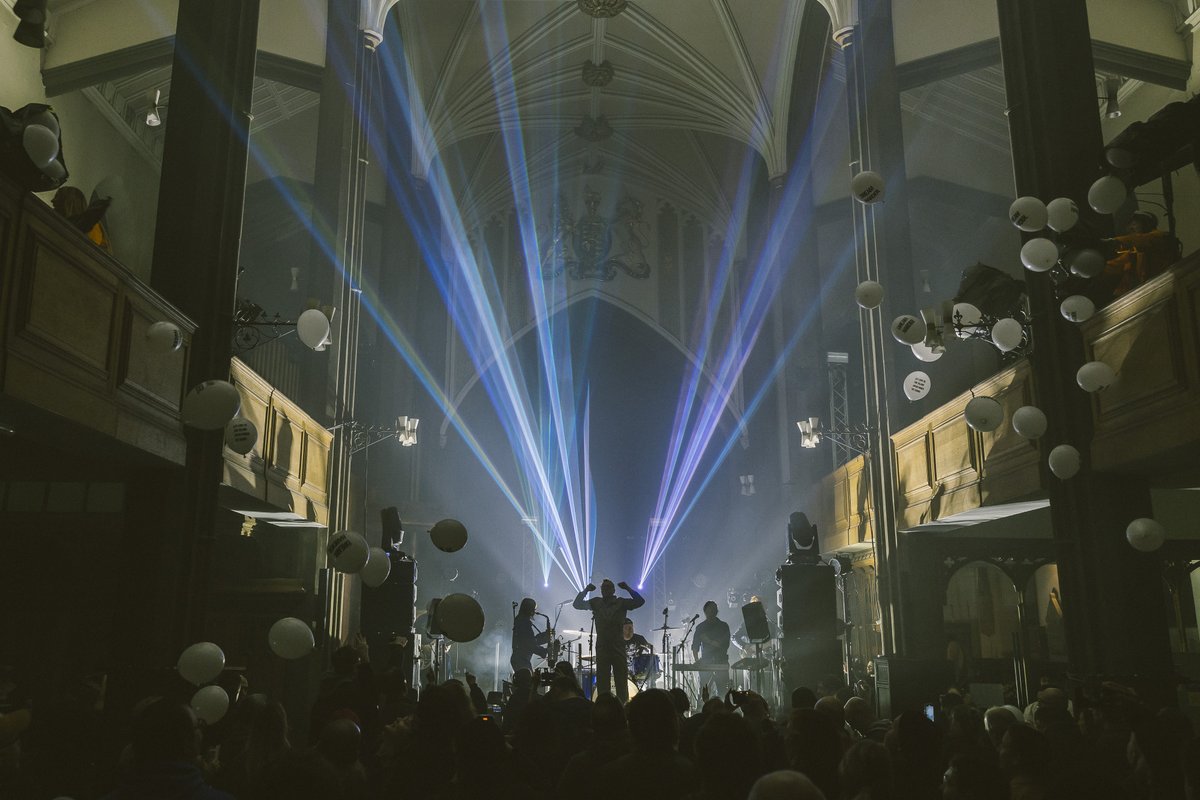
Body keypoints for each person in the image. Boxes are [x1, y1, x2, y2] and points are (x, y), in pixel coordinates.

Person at [574, 579, 645, 703]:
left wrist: (628, 588)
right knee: (603, 682)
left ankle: (622, 708)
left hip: (616, 647)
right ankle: (604, 707)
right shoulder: (596, 602)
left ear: (613, 590)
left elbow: (640, 601)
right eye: (603, 588)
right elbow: (577, 604)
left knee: (621, 681)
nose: (605, 590)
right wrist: (586, 590)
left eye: (607, 588)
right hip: (603, 647)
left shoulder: (620, 602)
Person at [692, 601, 731, 694]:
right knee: (705, 689)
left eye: (714, 609)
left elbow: (724, 645)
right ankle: (703, 706)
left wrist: (708, 640)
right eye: (710, 610)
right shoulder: (700, 627)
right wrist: (697, 661)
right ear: (705, 612)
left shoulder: (723, 626)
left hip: (721, 661)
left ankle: (722, 707)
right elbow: (695, 646)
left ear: (716, 611)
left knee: (723, 691)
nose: (712, 612)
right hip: (706, 662)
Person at [510, 597, 552, 673]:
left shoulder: (521, 621)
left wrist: (545, 636)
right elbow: (530, 644)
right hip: (521, 660)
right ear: (529, 609)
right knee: (528, 682)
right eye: (534, 609)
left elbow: (530, 640)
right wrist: (545, 651)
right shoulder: (524, 623)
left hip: (520, 659)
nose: (535, 612)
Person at [622, 618, 658, 688]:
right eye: (627, 627)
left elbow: (652, 650)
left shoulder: (639, 638)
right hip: (622, 667)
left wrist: (650, 648)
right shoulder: (617, 640)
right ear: (622, 629)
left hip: (637, 669)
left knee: (651, 676)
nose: (630, 629)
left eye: (631, 627)